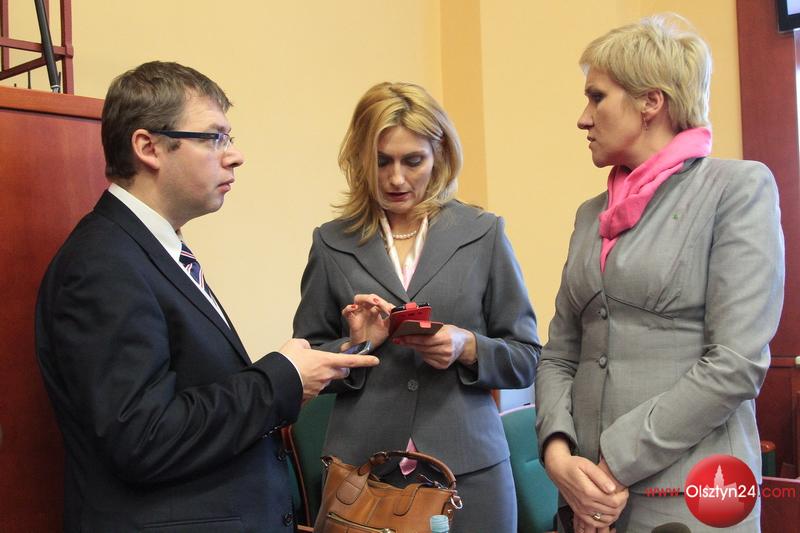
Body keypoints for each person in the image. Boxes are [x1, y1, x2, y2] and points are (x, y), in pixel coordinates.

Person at [34, 61, 378, 533]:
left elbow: (199, 388)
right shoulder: (103, 263)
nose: (235, 156)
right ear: (148, 147)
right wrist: (281, 377)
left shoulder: (150, 249)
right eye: (214, 137)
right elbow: (142, 438)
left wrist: (343, 353)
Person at [535, 15, 785, 533]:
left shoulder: (737, 188)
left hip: (692, 497)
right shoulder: (590, 214)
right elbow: (560, 352)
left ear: (651, 102)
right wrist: (558, 456)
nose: (583, 118)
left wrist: (610, 467)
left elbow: (736, 364)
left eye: (597, 97)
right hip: (583, 498)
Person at [292, 81, 540, 532]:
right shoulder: (331, 242)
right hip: (364, 477)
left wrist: (466, 346)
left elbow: (526, 358)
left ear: (439, 155)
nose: (396, 179)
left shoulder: (483, 233)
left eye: (413, 161)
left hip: (472, 472)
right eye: (381, 161)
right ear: (360, 159)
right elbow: (307, 360)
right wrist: (355, 346)